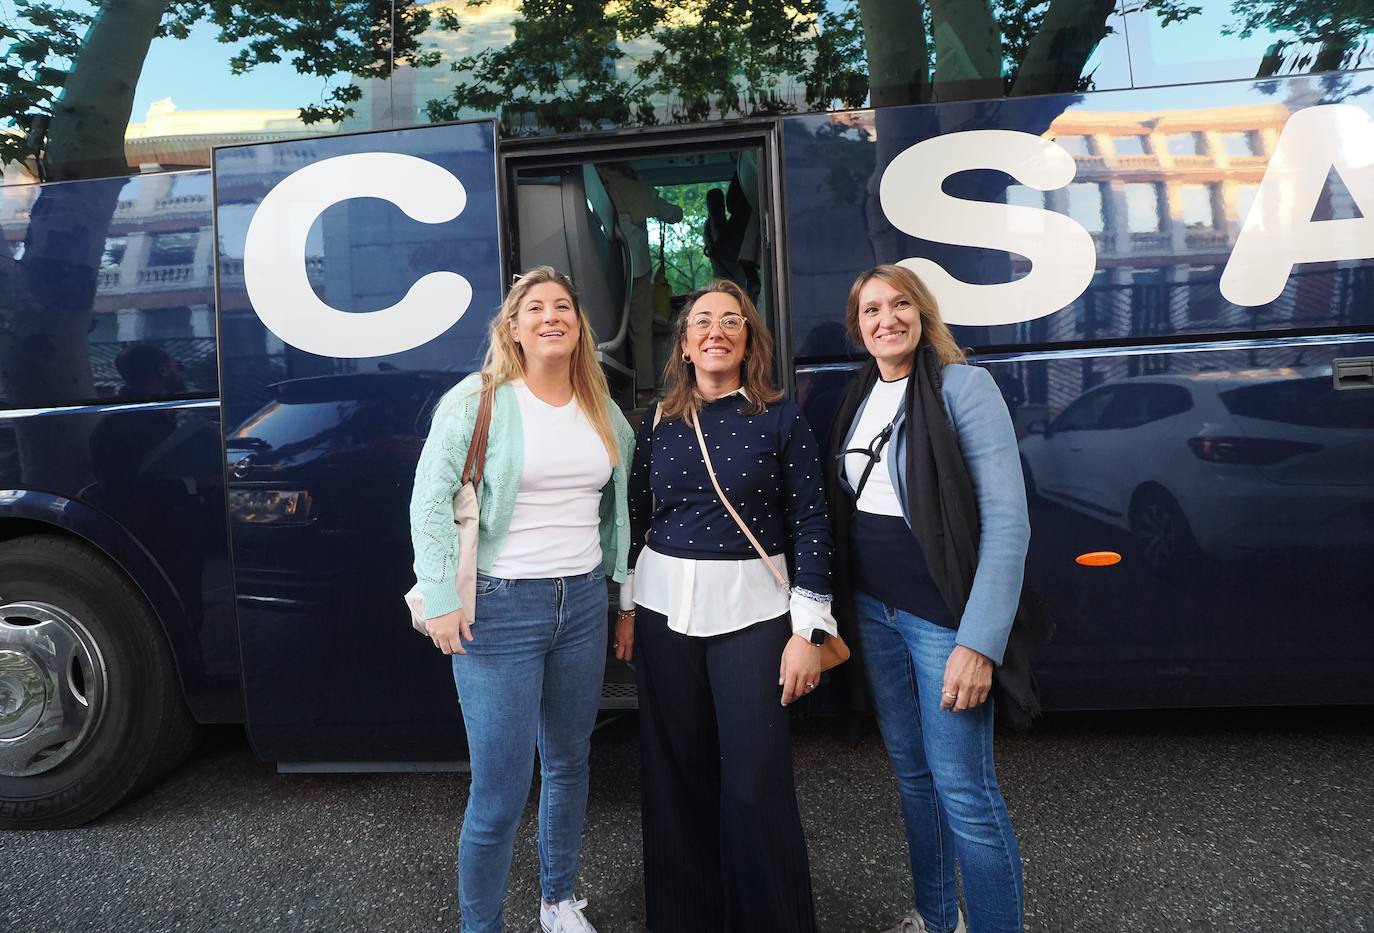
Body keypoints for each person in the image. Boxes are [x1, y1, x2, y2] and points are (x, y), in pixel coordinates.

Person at [410, 266, 636, 933]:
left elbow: (619, 506)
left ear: (578, 324)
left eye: (562, 305)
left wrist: (621, 596)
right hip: (501, 609)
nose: (550, 316)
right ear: (513, 328)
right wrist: (440, 594)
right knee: (499, 791)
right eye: (534, 307)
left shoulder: (601, 405)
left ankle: (557, 902)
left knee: (569, 762)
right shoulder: (477, 399)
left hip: (583, 603)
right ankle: (481, 925)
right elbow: (429, 497)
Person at [619, 278, 835, 933]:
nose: (716, 331)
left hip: (755, 613)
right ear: (684, 344)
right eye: (702, 321)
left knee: (753, 780)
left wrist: (810, 632)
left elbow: (813, 521)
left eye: (732, 322)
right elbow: (634, 514)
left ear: (749, 342)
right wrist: (626, 608)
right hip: (661, 610)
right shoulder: (658, 420)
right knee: (675, 774)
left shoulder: (779, 416)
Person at [825, 264, 1029, 933]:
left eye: (900, 304)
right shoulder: (859, 392)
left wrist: (978, 642)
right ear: (859, 328)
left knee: (964, 792)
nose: (887, 318)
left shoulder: (963, 387)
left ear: (922, 312)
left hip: (944, 619)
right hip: (876, 613)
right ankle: (938, 919)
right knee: (914, 777)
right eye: (872, 310)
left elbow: (1008, 520)